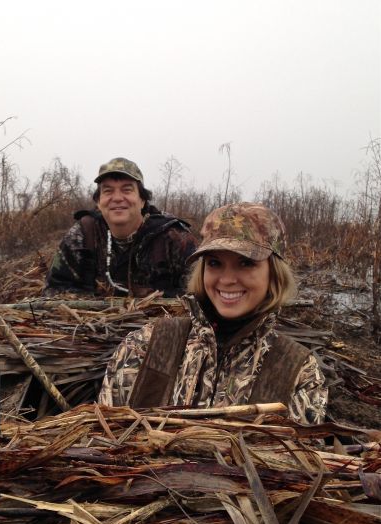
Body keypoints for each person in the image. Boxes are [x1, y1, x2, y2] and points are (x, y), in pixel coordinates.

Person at [99, 202, 327, 425]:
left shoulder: (298, 370)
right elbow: (103, 435)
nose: (227, 280)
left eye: (246, 263)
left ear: (274, 272)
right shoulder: (143, 345)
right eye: (215, 263)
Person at [43, 157, 198, 297]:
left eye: (127, 190)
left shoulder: (173, 236)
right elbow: (53, 289)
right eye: (108, 191)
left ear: (142, 200)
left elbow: (199, 292)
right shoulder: (83, 234)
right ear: (98, 202)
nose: (117, 198)